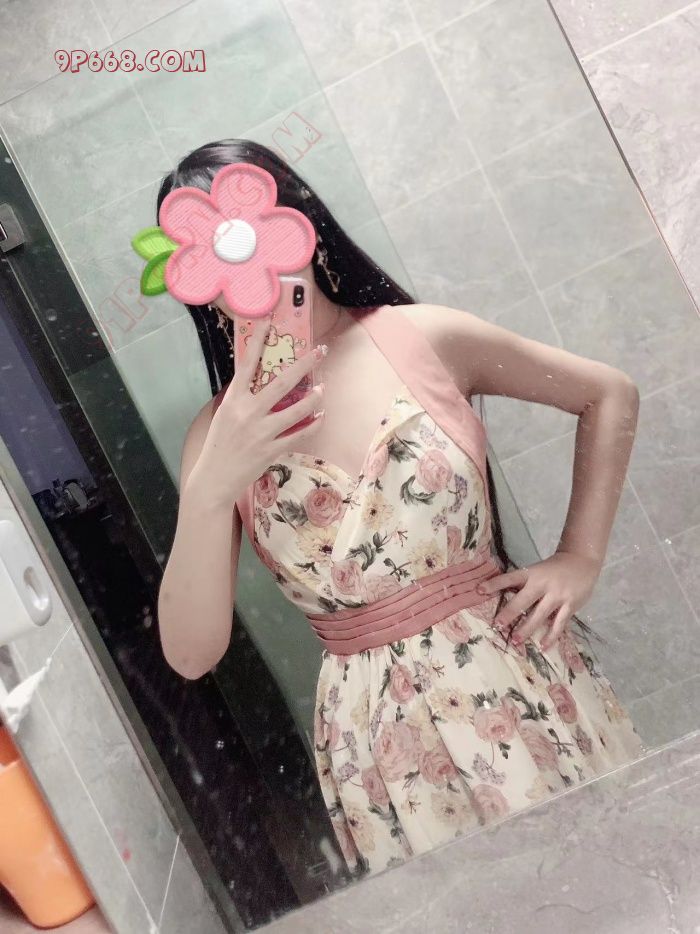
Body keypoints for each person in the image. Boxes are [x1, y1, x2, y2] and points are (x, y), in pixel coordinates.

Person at [157, 139, 645, 878]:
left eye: (255, 230)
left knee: (607, 879)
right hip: (379, 741)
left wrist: (580, 557)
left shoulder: (420, 338)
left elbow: (607, 393)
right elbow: (192, 654)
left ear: (301, 226)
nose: (246, 266)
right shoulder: (214, 434)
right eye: (209, 250)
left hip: (512, 674)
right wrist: (211, 484)